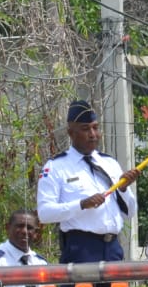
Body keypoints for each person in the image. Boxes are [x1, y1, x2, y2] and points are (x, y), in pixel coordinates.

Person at [36, 99, 141, 266]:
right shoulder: (56, 167)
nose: (93, 134)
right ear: (71, 133)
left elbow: (129, 213)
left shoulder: (109, 163)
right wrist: (81, 205)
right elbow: (44, 213)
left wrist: (123, 190)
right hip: (81, 249)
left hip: (112, 248)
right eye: (85, 129)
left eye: (95, 127)